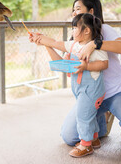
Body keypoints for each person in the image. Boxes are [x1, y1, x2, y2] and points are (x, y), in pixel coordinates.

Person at [33, 0, 121, 152]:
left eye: (78, 9)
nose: (74, 13)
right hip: (90, 97)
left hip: (115, 92)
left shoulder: (104, 30)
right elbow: (64, 65)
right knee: (69, 136)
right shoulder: (75, 40)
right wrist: (44, 43)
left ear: (91, 11)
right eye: (73, 10)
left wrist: (95, 44)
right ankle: (101, 124)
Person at [30, 13, 108, 158]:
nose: (72, 31)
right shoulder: (73, 45)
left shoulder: (96, 47)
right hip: (80, 89)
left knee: (83, 116)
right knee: (88, 115)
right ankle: (94, 138)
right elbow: (54, 42)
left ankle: (86, 145)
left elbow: (104, 64)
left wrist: (87, 66)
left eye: (74, 28)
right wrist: (40, 38)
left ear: (86, 31)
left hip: (92, 90)